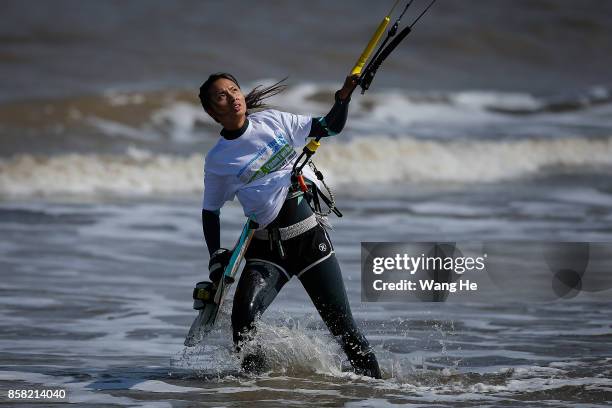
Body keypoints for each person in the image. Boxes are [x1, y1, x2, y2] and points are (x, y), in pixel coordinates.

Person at [198, 72, 382, 379]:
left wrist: (343, 97)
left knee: (342, 326)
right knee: (242, 321)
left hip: (310, 241)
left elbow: (329, 127)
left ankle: (378, 391)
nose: (232, 97)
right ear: (211, 111)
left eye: (234, 89)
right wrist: (215, 255)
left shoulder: (273, 121)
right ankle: (253, 390)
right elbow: (210, 211)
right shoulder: (218, 160)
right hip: (266, 250)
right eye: (221, 96)